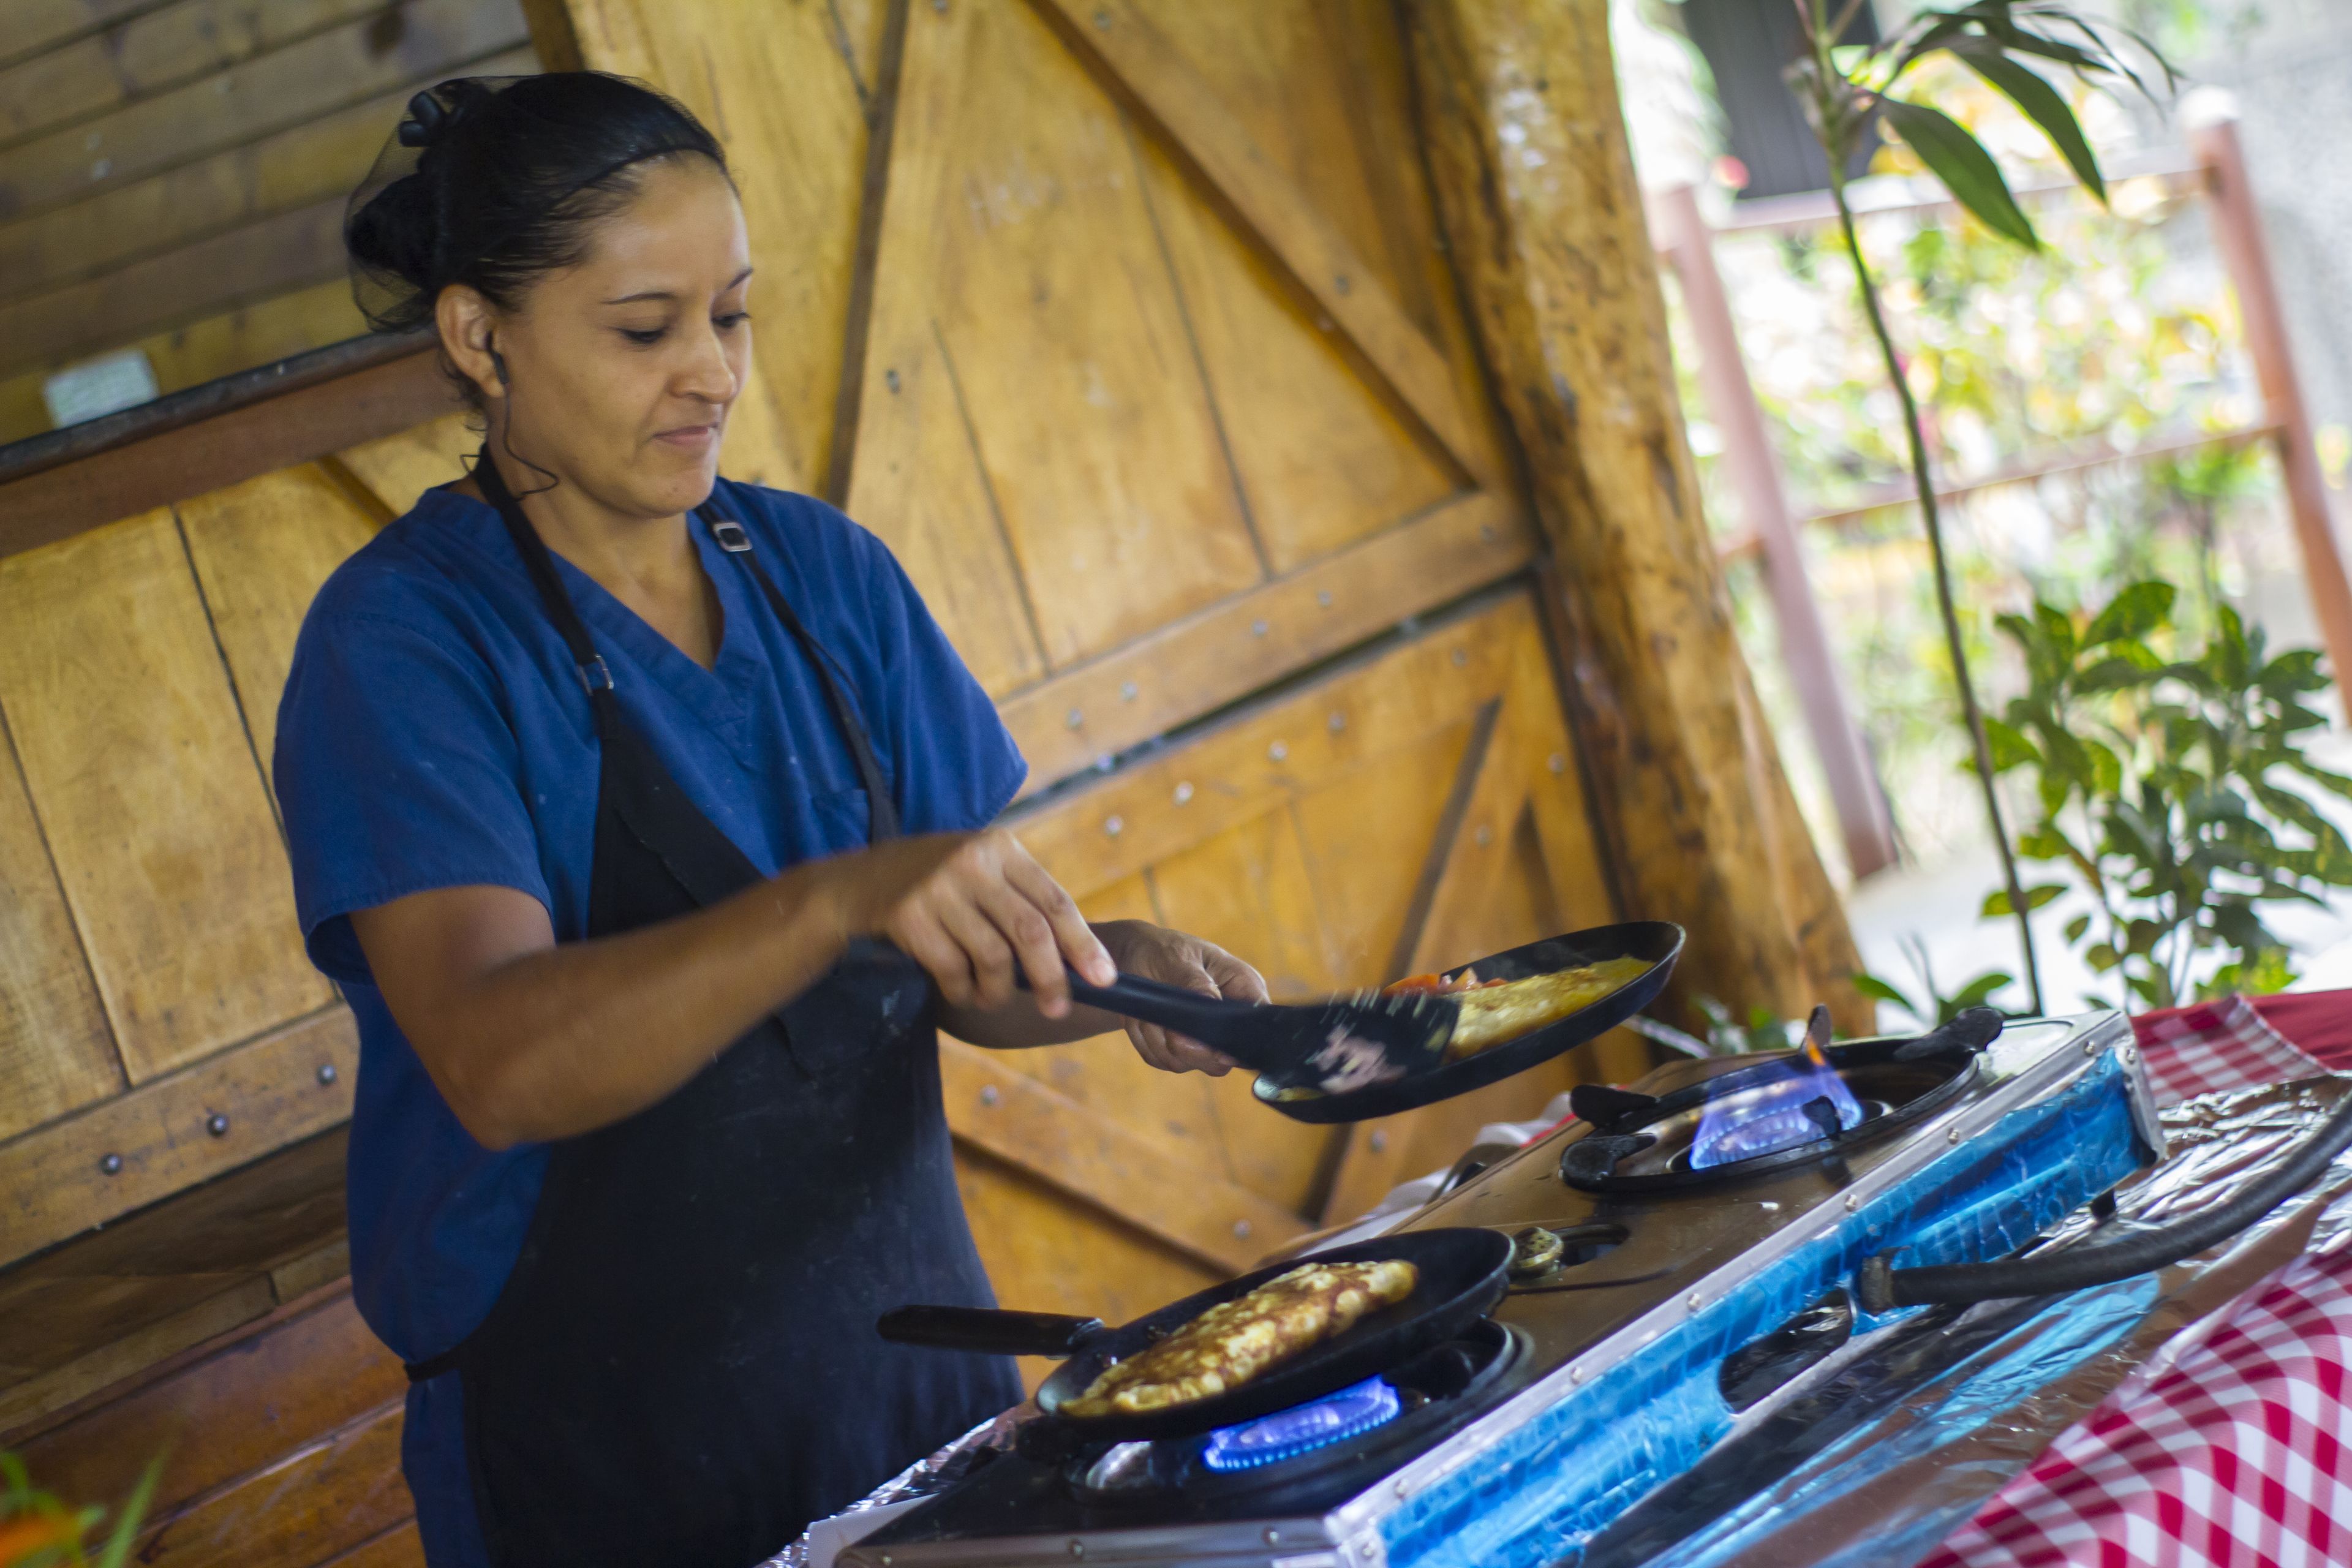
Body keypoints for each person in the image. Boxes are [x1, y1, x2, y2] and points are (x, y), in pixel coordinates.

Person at [277, 71, 1266, 1568]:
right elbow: (498, 1058)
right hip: (605, 1459)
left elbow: (946, 974)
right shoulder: (409, 641)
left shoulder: (821, 575)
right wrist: (834, 898)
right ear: (480, 338)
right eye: (642, 328)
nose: (711, 374)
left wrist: (1108, 968)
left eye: (729, 316)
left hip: (920, 1388)